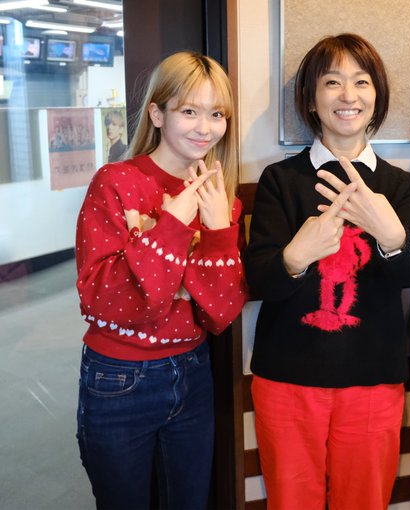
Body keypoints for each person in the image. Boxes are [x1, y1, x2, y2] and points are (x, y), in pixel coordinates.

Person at [244, 33, 410, 510]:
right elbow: (259, 279)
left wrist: (390, 235)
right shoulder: (279, 180)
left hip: (373, 379)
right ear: (311, 99)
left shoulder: (401, 186)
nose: (348, 95)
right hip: (287, 378)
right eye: (332, 82)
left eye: (361, 82)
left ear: (377, 97)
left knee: (365, 501)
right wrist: (296, 256)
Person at [75, 51, 246, 510]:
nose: (204, 128)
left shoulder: (221, 199)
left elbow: (220, 313)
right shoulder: (115, 182)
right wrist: (171, 226)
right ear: (157, 113)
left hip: (193, 370)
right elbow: (103, 301)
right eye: (189, 111)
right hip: (117, 376)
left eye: (217, 114)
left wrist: (219, 233)